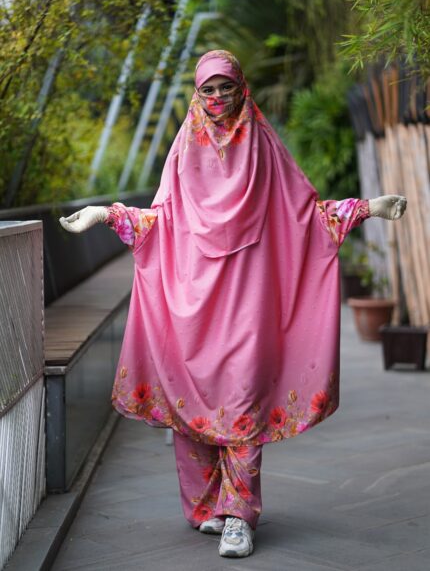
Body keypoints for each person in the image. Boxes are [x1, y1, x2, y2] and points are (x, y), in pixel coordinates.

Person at [60, 50, 407, 558]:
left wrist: (366, 208)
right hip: (193, 299)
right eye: (209, 88)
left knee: (243, 401)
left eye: (227, 86)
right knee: (191, 402)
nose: (218, 96)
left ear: (243, 87)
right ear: (197, 93)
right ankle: (207, 507)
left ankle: (239, 516)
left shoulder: (264, 146)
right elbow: (161, 221)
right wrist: (106, 214)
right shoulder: (184, 150)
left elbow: (303, 215)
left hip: (250, 300)